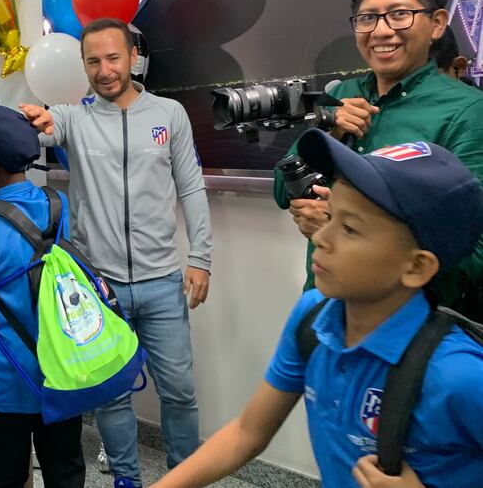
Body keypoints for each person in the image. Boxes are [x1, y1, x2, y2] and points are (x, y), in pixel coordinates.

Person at [153, 128, 483, 488]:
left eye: (350, 229)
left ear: (417, 267)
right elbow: (247, 432)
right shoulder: (314, 318)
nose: (322, 237)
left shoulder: (459, 375)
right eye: (330, 215)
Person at [21, 18, 214, 488]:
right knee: (110, 395)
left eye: (113, 58)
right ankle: (127, 479)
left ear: (132, 57)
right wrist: (31, 123)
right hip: (100, 286)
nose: (104, 70)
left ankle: (184, 476)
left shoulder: (169, 115)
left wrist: (201, 257)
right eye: (93, 61)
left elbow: (191, 187)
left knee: (180, 391)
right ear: (83, 66)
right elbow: (39, 130)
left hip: (162, 281)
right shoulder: (74, 118)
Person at [275, 0, 483, 319]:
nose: (381, 31)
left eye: (399, 14)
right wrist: (329, 130)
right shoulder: (341, 94)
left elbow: (475, 252)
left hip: (408, 325)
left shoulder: (468, 111)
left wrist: (345, 230)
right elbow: (282, 189)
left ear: (436, 24)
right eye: (367, 18)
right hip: (322, 308)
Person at [0, 105, 86, 488]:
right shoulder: (58, 205)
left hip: (9, 382)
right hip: (62, 374)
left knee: (3, 479)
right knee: (66, 474)